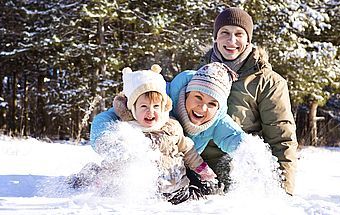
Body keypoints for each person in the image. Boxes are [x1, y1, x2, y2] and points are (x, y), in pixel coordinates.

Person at [90, 62, 248, 192]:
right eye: (198, 97)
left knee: (206, 192)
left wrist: (252, 153)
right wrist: (106, 140)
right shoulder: (158, 95)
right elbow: (112, 115)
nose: (202, 108)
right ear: (186, 93)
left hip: (177, 176)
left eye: (212, 103)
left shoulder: (215, 121)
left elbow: (234, 138)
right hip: (145, 177)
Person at [193, 7, 299, 195]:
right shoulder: (196, 75)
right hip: (196, 172)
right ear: (215, 37)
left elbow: (281, 138)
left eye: (239, 34)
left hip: (240, 178)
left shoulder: (268, 82)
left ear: (248, 39)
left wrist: (284, 192)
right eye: (224, 33)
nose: (231, 40)